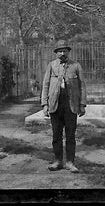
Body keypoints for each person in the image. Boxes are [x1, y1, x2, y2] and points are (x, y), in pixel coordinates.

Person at [41, 40, 87, 173]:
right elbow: (45, 85)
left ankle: (70, 162)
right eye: (60, 51)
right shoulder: (51, 66)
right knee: (56, 135)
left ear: (68, 52)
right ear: (56, 53)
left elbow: (82, 86)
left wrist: (82, 104)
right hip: (55, 104)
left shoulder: (76, 66)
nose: (62, 53)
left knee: (70, 135)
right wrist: (45, 104)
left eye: (65, 51)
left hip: (71, 105)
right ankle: (57, 161)